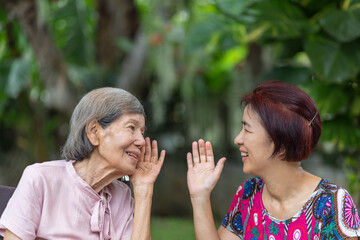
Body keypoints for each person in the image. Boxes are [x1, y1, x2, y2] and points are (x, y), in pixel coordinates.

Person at [186, 81, 360, 240]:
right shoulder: (248, 194)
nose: (237, 139)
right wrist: (200, 197)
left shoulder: (331, 204)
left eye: (247, 129)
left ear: (280, 141)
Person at [0, 87, 165, 239]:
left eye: (142, 132)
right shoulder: (41, 179)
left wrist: (144, 189)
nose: (141, 141)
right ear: (94, 131)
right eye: (131, 127)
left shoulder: (122, 197)